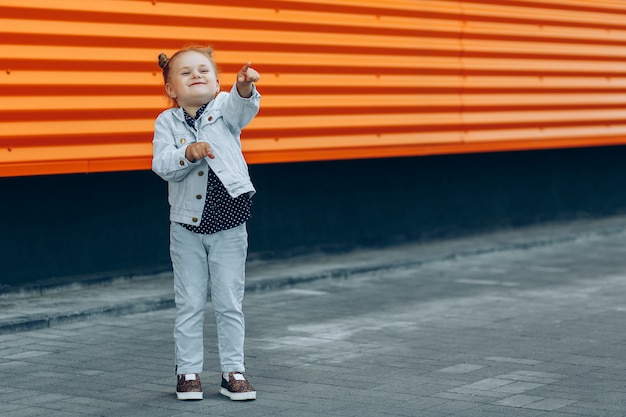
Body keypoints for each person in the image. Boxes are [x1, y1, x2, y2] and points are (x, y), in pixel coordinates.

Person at [152, 45, 260, 401]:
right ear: (171, 90)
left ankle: (233, 371)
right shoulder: (166, 122)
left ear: (216, 83)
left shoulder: (224, 111)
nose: (196, 75)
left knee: (229, 300)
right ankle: (188, 372)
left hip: (230, 224)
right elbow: (162, 165)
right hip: (186, 227)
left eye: (204, 70)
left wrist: (244, 88)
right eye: (185, 73)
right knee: (190, 302)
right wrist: (188, 152)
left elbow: (242, 109)